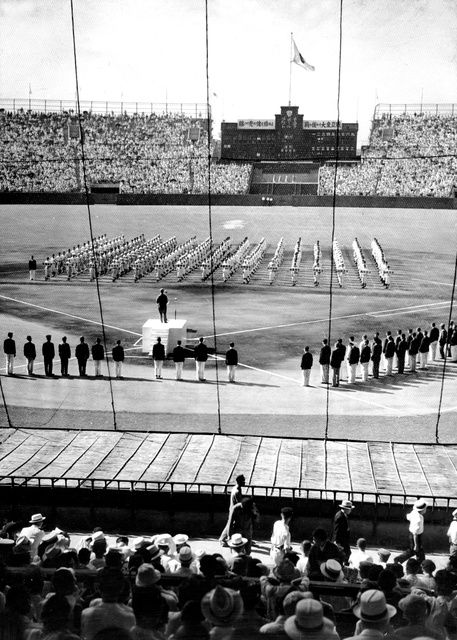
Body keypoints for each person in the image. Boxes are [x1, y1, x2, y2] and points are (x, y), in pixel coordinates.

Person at [395, 498, 427, 564]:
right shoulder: (418, 519)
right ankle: (399, 559)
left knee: (416, 551)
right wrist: (416, 544)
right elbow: (416, 534)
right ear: (422, 510)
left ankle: (400, 559)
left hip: (412, 534)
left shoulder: (414, 512)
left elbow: (408, 517)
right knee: (416, 550)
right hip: (416, 536)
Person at [219, 474, 246, 547]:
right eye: (243, 481)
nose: (244, 482)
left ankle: (224, 539)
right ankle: (222, 539)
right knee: (230, 524)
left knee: (229, 524)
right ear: (239, 481)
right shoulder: (237, 491)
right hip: (235, 510)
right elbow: (239, 503)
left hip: (232, 509)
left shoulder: (236, 488)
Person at [332, 499, 355, 563]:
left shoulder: (342, 515)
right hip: (341, 541)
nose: (351, 510)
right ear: (346, 509)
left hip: (343, 540)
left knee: (346, 554)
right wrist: (336, 541)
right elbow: (337, 530)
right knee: (346, 554)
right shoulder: (340, 517)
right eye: (350, 509)